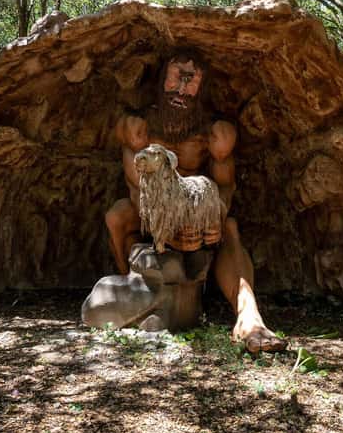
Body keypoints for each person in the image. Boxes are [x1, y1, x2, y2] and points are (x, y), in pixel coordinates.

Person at [105, 46, 286, 353]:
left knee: (229, 227)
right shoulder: (137, 129)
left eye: (191, 81)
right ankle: (131, 290)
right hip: (149, 218)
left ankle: (249, 317)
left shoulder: (215, 135)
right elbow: (138, 191)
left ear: (202, 88)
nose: (182, 89)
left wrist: (210, 219)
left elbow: (225, 189)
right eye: (177, 77)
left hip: (198, 220)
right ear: (162, 78)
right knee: (117, 216)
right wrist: (167, 223)